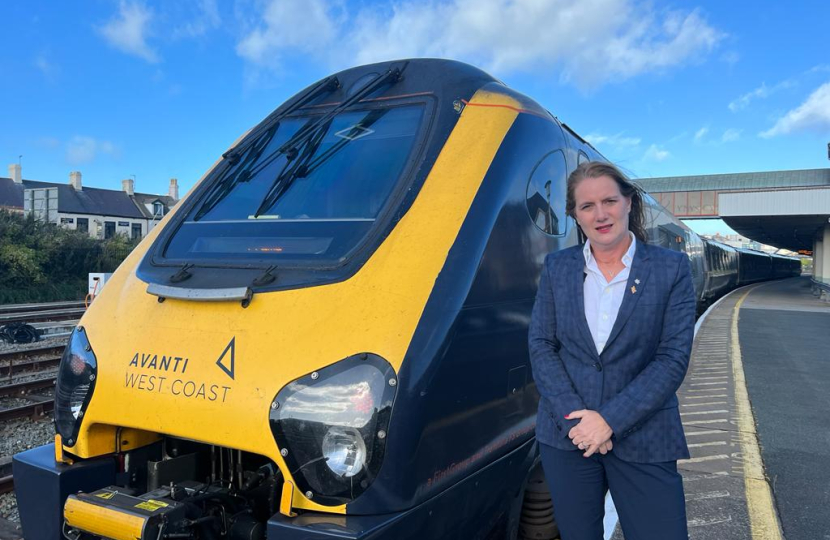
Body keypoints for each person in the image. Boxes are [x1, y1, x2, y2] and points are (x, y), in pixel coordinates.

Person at [528, 161, 695, 540]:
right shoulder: (557, 268)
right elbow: (541, 345)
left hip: (646, 436)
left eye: (609, 201)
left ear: (629, 203)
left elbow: (671, 359)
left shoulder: (671, 269)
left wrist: (609, 421)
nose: (600, 214)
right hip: (569, 440)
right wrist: (578, 424)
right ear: (575, 215)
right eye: (587, 206)